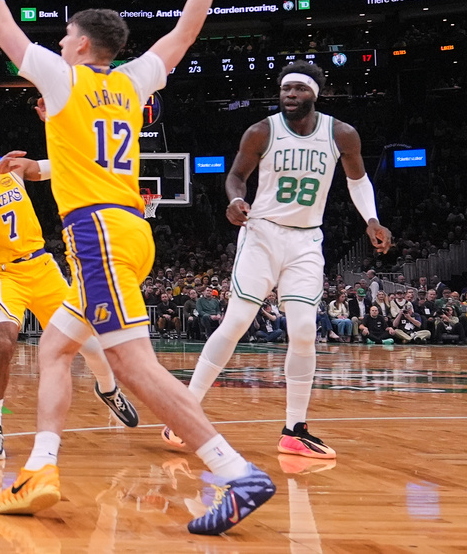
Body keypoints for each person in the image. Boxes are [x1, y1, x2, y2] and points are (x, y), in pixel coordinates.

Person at [0, 0, 274, 535]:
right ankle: (41, 468)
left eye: (65, 35)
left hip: (97, 234)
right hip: (127, 231)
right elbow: (186, 31)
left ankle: (234, 471)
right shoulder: (132, 80)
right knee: (54, 346)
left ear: (78, 45)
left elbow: (1, 25)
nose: (59, 40)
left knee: (131, 366)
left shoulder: (63, 78)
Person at [161, 58, 393, 464]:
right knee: (235, 322)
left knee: (304, 331)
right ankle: (185, 411)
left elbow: (358, 181)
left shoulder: (341, 134)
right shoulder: (261, 131)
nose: (289, 95)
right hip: (262, 235)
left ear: (315, 94)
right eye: (285, 89)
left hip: (306, 242)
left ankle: (294, 430)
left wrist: (372, 220)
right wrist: (235, 199)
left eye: (298, 89)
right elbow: (235, 176)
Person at [0, 128, 138, 460]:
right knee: (3, 343)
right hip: (5, 274)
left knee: (85, 339)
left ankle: (107, 389)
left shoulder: (16, 170)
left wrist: (91, 158)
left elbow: (57, 166)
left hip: (42, 267)